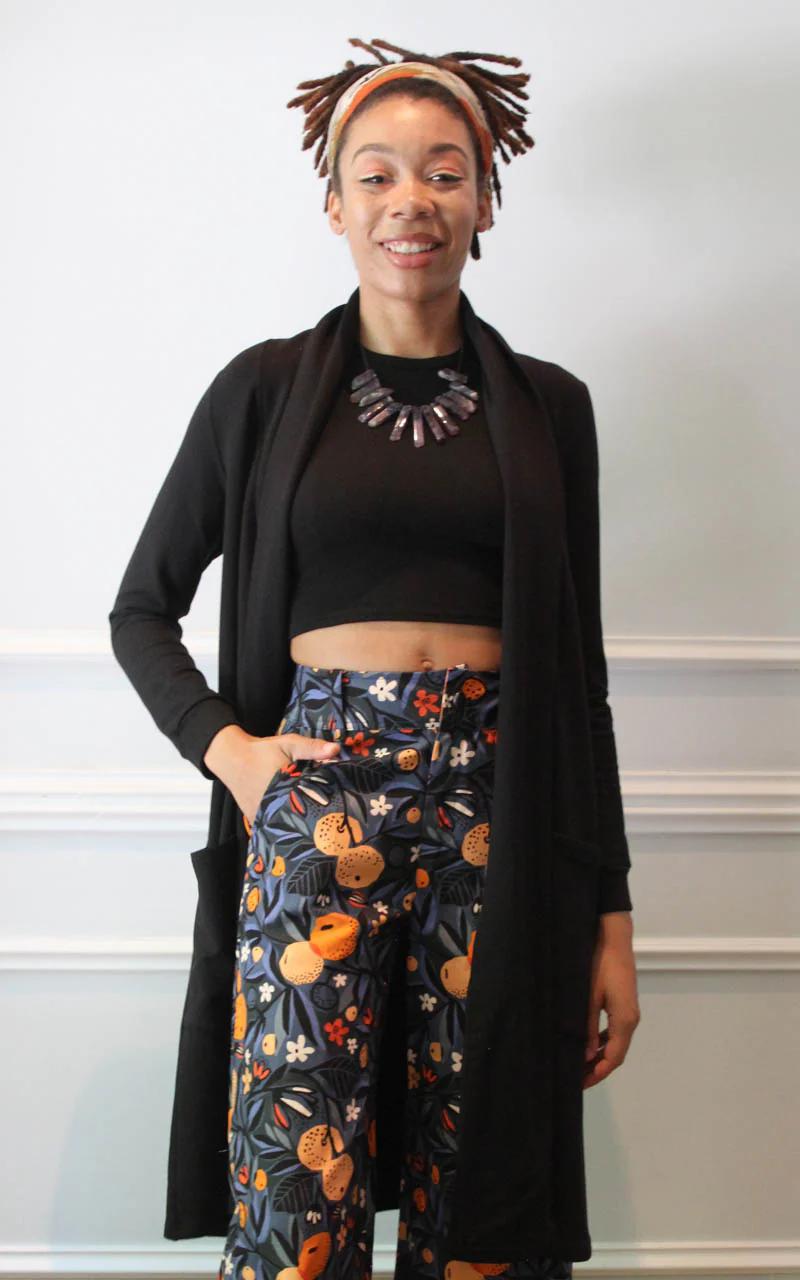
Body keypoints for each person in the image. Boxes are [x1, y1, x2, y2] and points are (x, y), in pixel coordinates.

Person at [109, 35, 640, 1280]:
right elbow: (141, 609)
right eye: (379, 174)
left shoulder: (550, 407)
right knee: (298, 1197)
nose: (413, 200)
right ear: (334, 203)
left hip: (498, 810)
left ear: (485, 201)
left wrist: (610, 917)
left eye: (445, 172)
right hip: (316, 794)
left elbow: (580, 684)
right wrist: (232, 752)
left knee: (481, 1194)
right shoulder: (259, 392)